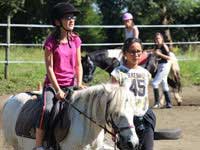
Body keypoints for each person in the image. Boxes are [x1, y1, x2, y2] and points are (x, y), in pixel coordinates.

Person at [34, 2, 85, 150]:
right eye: (68, 17)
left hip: (71, 84)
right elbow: (49, 68)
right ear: (57, 22)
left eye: (73, 17)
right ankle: (38, 145)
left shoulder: (76, 39)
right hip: (53, 85)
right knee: (47, 109)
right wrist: (57, 90)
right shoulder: (50, 42)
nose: (72, 20)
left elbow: (78, 65)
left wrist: (79, 83)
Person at [111, 38, 156, 150]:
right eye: (132, 51)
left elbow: (145, 97)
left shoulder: (145, 73)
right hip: (126, 120)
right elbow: (114, 101)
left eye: (138, 51)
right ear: (125, 53)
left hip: (145, 117)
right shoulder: (117, 73)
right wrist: (114, 126)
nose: (136, 54)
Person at [152, 32, 172, 109]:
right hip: (160, 65)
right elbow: (154, 54)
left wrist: (160, 55)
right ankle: (168, 103)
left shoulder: (164, 46)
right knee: (164, 84)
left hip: (165, 65)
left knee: (154, 83)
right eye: (156, 38)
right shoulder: (156, 46)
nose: (157, 40)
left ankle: (157, 103)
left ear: (162, 39)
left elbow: (169, 58)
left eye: (159, 38)